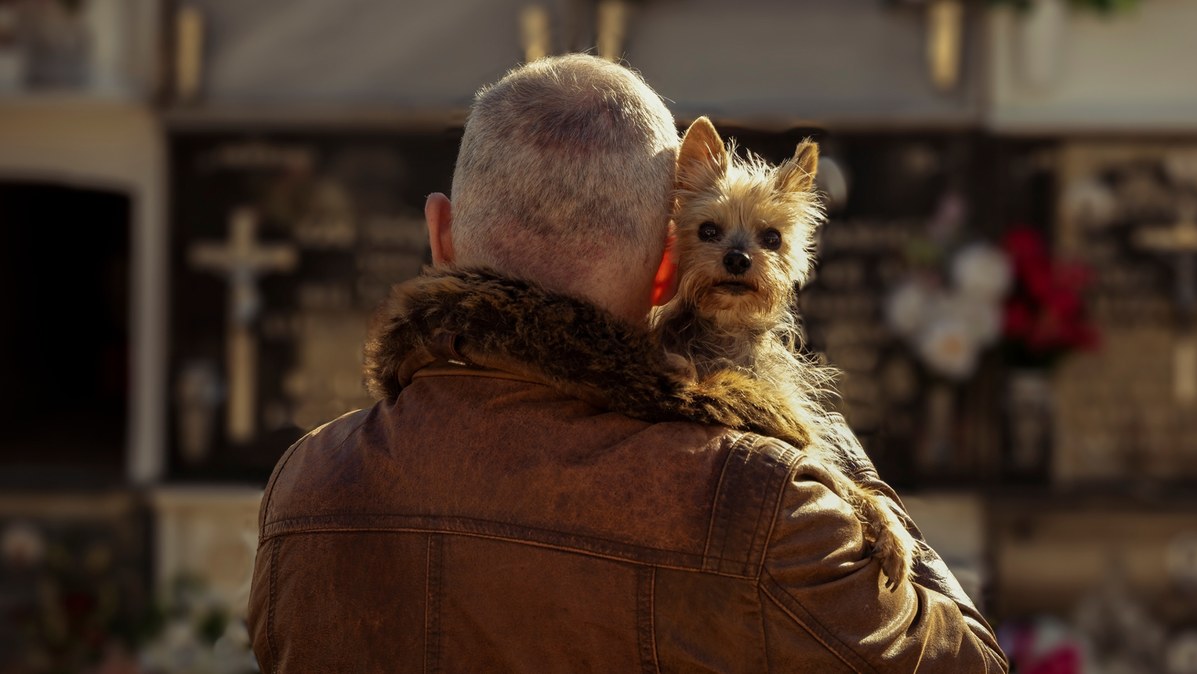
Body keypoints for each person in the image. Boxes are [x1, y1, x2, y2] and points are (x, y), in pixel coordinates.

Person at [247, 54, 1008, 673]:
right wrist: (836, 454)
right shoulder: (762, 502)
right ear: (664, 269)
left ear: (440, 236)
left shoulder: (304, 489)